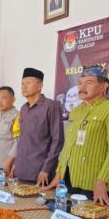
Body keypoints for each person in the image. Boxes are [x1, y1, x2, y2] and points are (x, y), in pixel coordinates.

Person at [44, 65, 109, 204]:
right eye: (80, 83)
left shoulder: (107, 109)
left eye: (89, 82)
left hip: (94, 184)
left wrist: (102, 180)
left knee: (91, 218)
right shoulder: (76, 111)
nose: (82, 87)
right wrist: (59, 174)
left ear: (104, 86)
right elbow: (68, 147)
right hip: (69, 180)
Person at [13, 68, 64, 185]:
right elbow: (22, 139)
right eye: (22, 83)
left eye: (28, 83)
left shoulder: (51, 106)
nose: (24, 87)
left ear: (40, 86)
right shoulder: (24, 108)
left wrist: (46, 169)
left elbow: (57, 140)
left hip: (40, 172)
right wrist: (16, 163)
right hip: (21, 170)